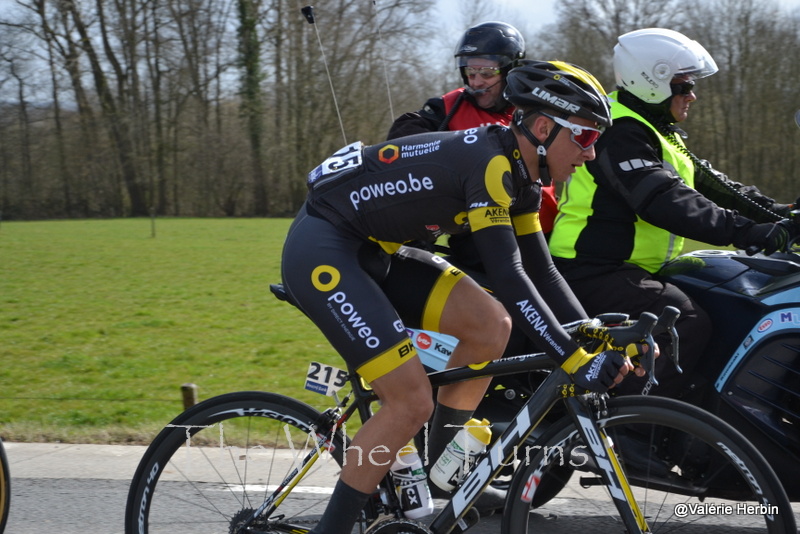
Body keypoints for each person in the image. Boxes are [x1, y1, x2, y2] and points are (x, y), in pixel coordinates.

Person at [281, 61, 639, 534]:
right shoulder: (490, 166)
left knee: (491, 324)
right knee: (410, 402)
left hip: (376, 249)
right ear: (544, 127)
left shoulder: (523, 175)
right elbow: (511, 277)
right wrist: (574, 359)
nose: (590, 155)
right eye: (586, 138)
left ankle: (443, 473)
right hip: (325, 249)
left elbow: (543, 272)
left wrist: (600, 335)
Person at [549, 28, 795, 401]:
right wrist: (749, 232)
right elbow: (665, 199)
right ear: (652, 82)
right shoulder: (619, 131)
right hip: (590, 269)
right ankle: (623, 427)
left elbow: (717, 187)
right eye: (683, 86)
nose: (692, 95)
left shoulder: (655, 130)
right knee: (684, 320)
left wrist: (782, 213)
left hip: (628, 268)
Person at [387, 21, 559, 235]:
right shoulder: (447, 107)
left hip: (543, 230)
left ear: (510, 72)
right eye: (470, 71)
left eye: (487, 73)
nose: (476, 82)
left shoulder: (537, 109)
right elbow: (403, 139)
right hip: (481, 235)